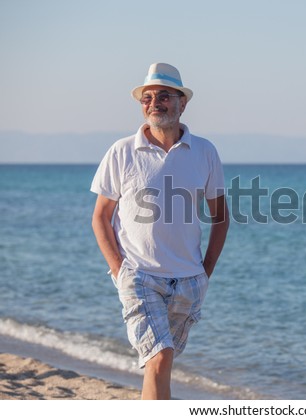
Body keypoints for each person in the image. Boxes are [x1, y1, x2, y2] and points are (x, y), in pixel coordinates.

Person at [90, 63, 229, 399]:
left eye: (164, 96)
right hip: (139, 276)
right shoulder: (122, 151)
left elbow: (221, 217)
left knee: (162, 363)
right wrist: (119, 269)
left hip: (188, 280)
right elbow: (101, 218)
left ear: (182, 103)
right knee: (159, 356)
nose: (154, 103)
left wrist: (204, 272)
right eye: (147, 98)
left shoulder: (205, 152)